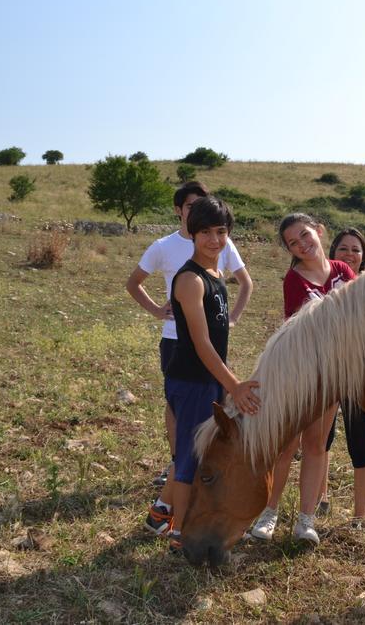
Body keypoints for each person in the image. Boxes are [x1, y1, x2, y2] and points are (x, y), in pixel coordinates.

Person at [128, 182, 253, 536]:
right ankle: (179, 533)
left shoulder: (215, 275)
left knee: (196, 453)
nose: (214, 240)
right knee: (187, 460)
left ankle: (159, 518)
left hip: (208, 378)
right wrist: (234, 384)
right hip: (190, 378)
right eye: (205, 233)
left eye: (221, 232)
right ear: (191, 234)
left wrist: (224, 383)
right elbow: (200, 343)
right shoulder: (189, 280)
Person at [248, 214, 356, 546]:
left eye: (305, 235)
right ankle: (269, 512)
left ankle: (305, 521)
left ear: (319, 231)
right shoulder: (294, 279)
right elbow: (296, 329)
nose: (302, 244)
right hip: (300, 373)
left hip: (332, 374)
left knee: (316, 445)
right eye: (293, 242)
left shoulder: (343, 271)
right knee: (286, 446)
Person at [315, 228, 365, 530]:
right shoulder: (320, 282)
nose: (350, 254)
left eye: (356, 249)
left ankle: (360, 518)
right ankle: (319, 497)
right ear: (332, 252)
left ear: (364, 257)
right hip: (325, 372)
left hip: (357, 376)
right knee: (321, 439)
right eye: (343, 248)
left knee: (360, 441)